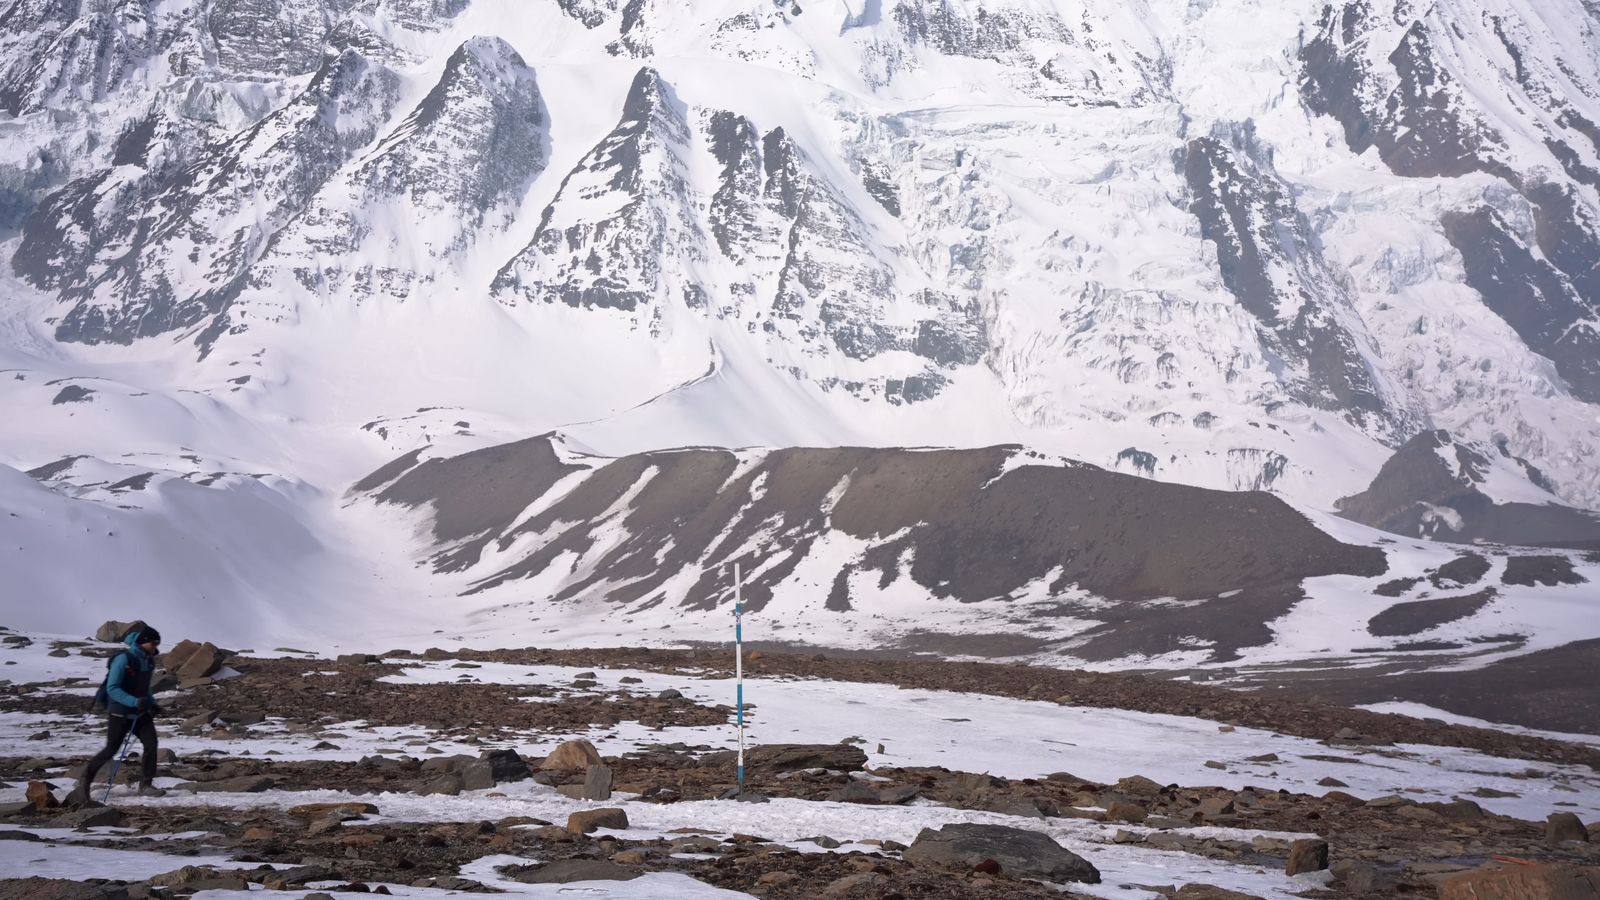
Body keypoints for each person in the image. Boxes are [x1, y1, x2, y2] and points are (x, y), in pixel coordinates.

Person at [69, 628, 167, 804]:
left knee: (151, 744)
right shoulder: (124, 659)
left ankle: (146, 785)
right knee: (111, 749)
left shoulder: (148, 661)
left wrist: (151, 704)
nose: (155, 647)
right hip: (119, 712)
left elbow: (145, 689)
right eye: (153, 643)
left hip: (140, 713)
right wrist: (135, 702)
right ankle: (86, 779)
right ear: (142, 641)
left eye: (157, 644)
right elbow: (113, 688)